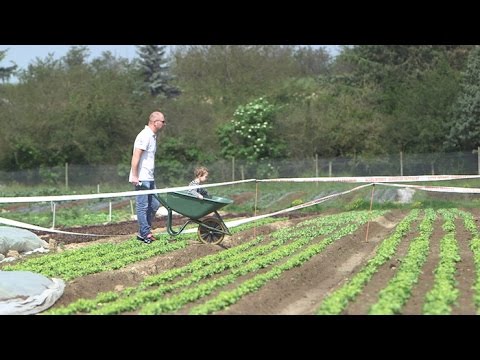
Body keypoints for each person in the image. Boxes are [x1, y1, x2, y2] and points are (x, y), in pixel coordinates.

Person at [129, 111, 166, 244]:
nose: (164, 124)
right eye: (163, 121)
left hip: (149, 177)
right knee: (142, 206)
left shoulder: (153, 136)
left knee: (155, 204)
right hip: (141, 177)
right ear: (155, 122)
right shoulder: (144, 136)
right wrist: (134, 175)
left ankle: (143, 231)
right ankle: (145, 233)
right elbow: (136, 155)